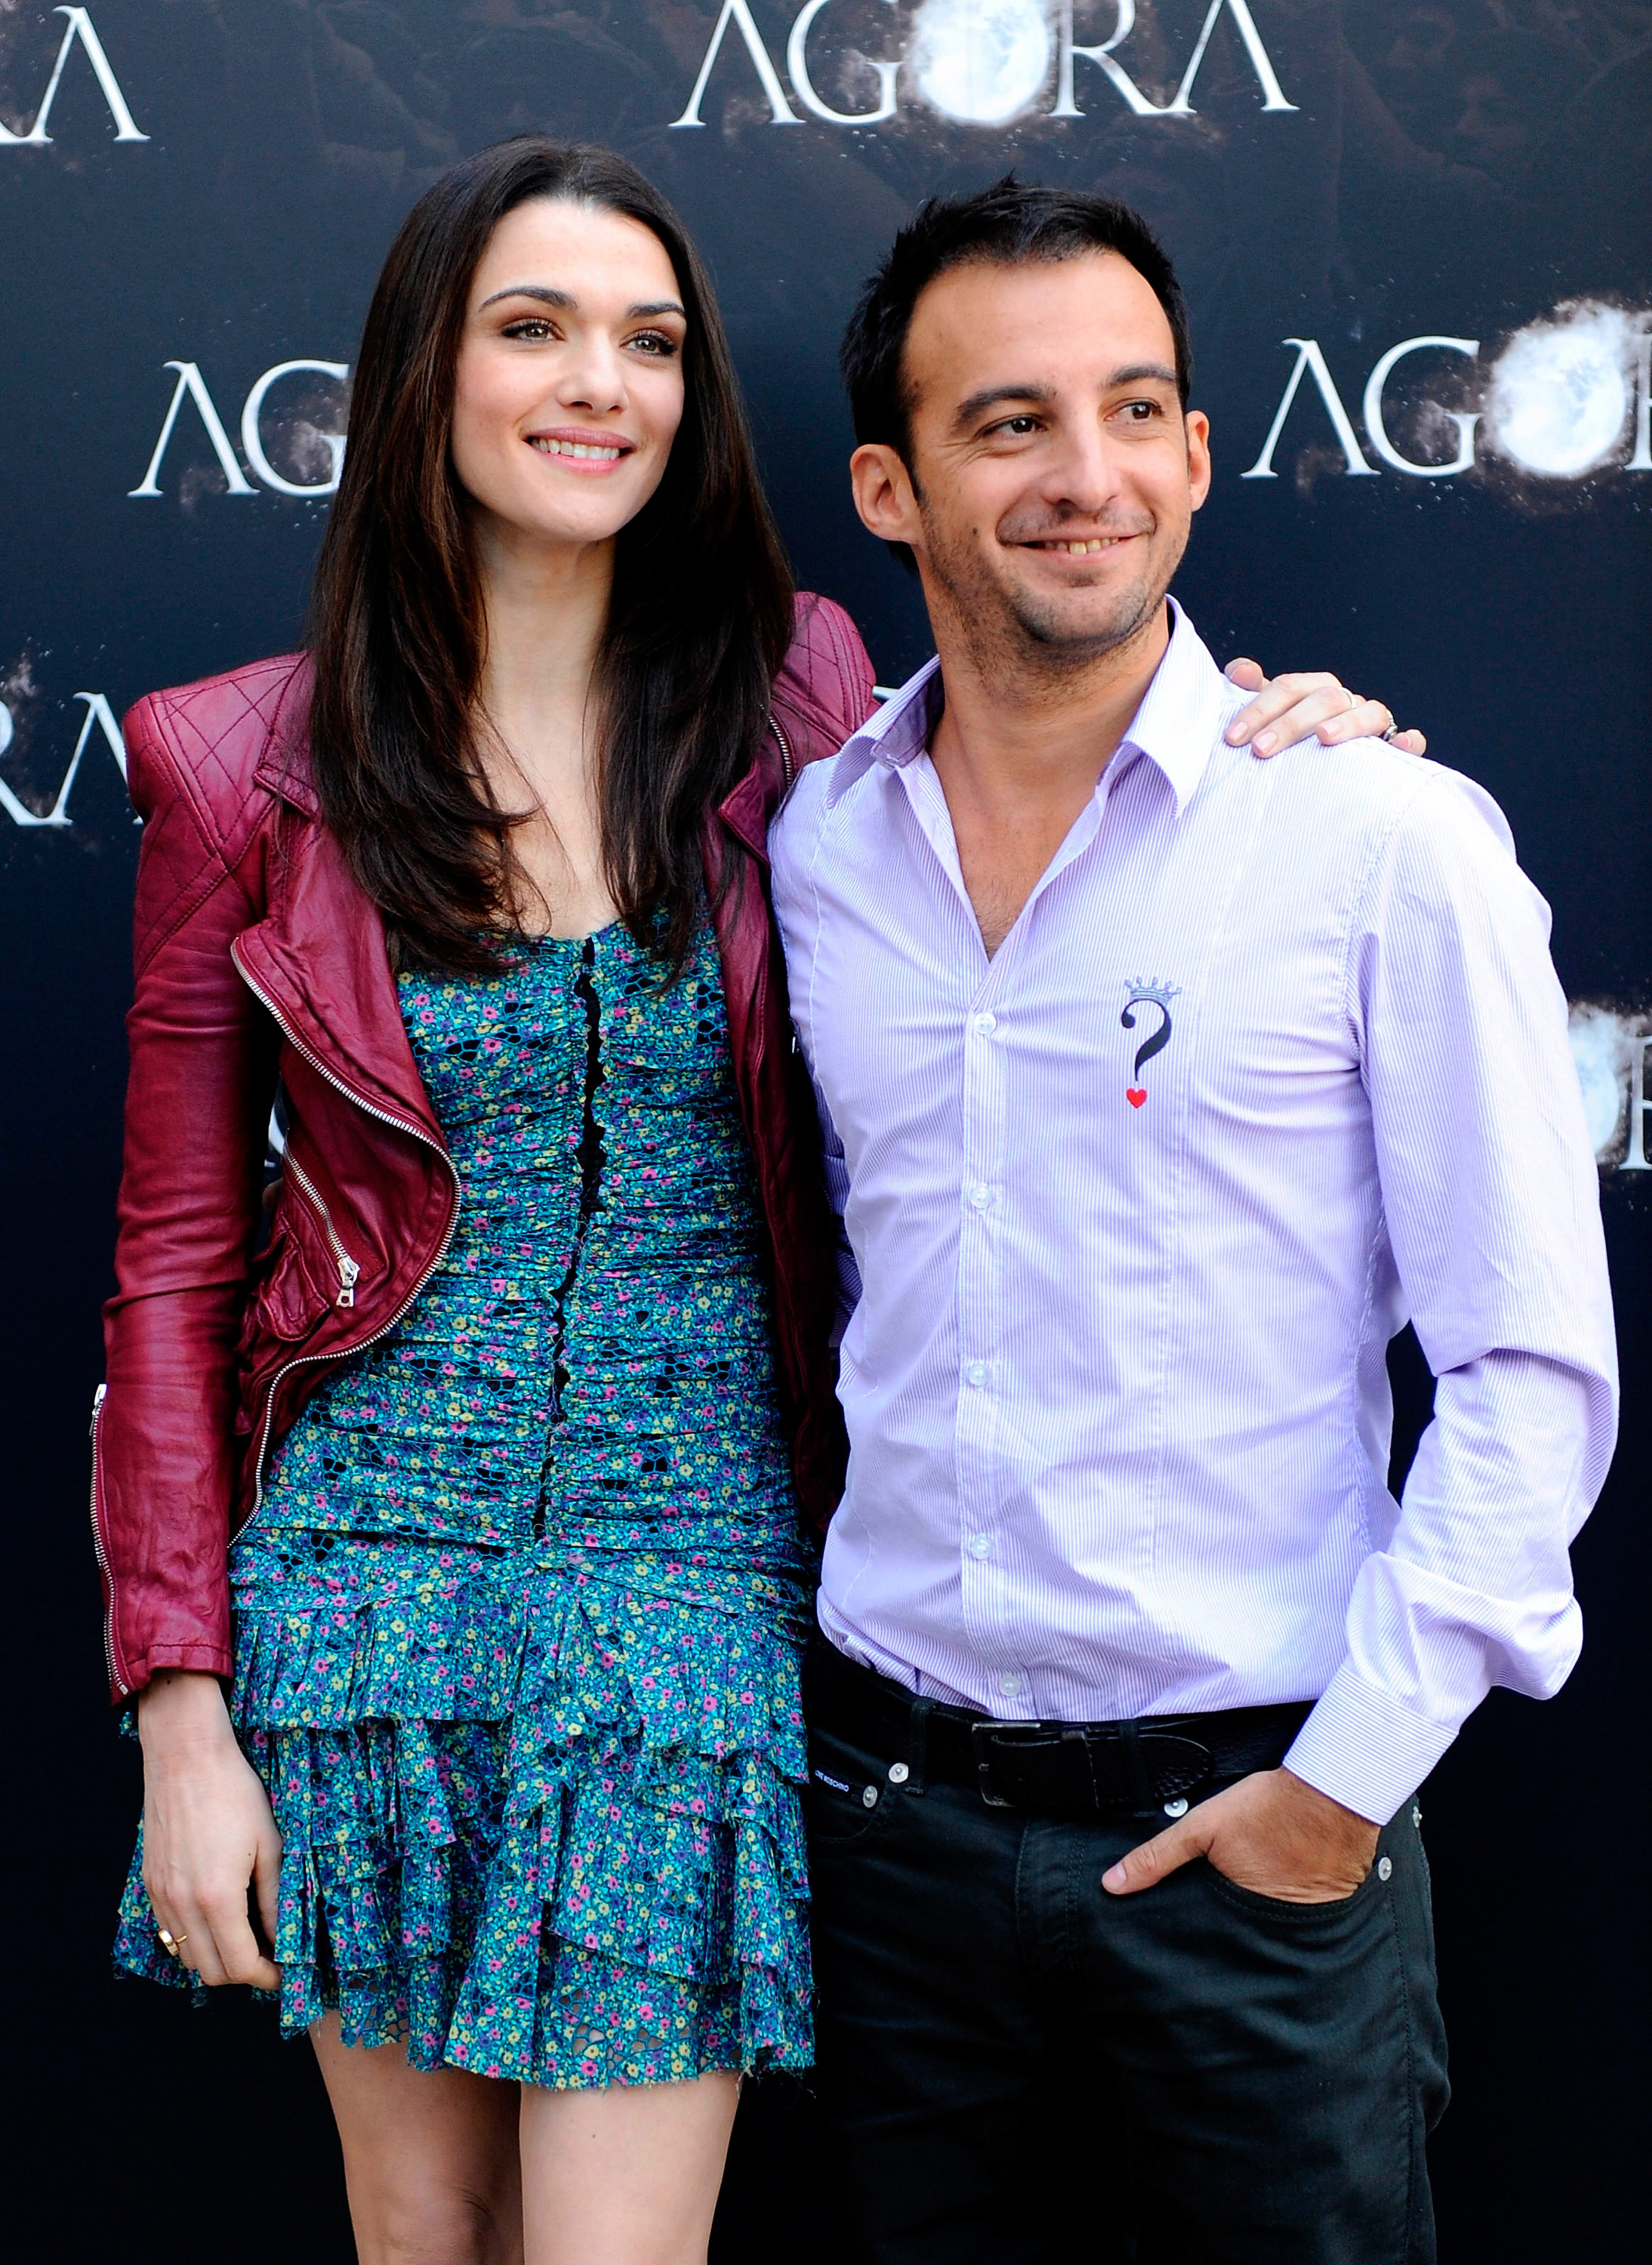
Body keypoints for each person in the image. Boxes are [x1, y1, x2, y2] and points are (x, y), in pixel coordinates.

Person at [94, 138, 1415, 2265]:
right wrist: (179, 1707)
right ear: (426, 371)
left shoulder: (791, 696)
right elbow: (174, 1267)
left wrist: (1292, 726)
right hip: (359, 1603)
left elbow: (1061, 733)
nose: (597, 383)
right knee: (422, 2242)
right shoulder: (237, 758)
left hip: (691, 1590)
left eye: (649, 342)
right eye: (533, 329)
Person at [770, 179, 1617, 2265]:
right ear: (886, 488)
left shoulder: (1376, 836)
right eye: (1010, 423)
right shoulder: (811, 844)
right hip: (884, 1849)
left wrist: (1345, 1787)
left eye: (1135, 410)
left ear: (1198, 452)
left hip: (1257, 1846)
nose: (1088, 473)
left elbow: (1528, 1364)